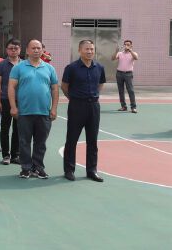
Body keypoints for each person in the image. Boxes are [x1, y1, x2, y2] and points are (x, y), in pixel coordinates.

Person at [8, 40, 59, 179]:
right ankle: (26, 168)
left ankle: (38, 168)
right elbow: (11, 87)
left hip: (44, 112)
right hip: (24, 112)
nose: (36, 50)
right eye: (33, 48)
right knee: (24, 142)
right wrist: (13, 106)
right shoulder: (19, 67)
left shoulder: (49, 68)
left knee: (41, 143)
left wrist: (54, 108)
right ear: (27, 50)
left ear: (42, 50)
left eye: (39, 48)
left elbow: (55, 89)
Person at [62, 39, 106, 183]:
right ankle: (69, 170)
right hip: (76, 106)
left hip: (93, 106)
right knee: (72, 139)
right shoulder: (71, 68)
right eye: (86, 49)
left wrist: (93, 96)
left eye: (92, 49)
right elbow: (64, 86)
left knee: (92, 140)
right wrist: (75, 99)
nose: (89, 52)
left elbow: (100, 84)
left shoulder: (99, 67)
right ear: (79, 50)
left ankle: (92, 170)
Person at [0, 39, 22, 165]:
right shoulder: (1, 64)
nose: (13, 50)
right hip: (6, 100)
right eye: (11, 48)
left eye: (16, 48)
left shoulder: (24, 64)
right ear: (6, 50)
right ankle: (6, 155)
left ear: (20, 50)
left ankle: (15, 155)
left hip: (21, 101)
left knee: (18, 129)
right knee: (5, 128)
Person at [113, 39, 139, 113]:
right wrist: (116, 51)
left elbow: (136, 58)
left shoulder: (133, 53)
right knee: (121, 91)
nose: (126, 46)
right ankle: (123, 106)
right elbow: (112, 58)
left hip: (128, 74)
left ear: (131, 46)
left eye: (128, 44)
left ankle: (133, 107)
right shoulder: (120, 53)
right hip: (119, 73)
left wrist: (130, 50)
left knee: (130, 90)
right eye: (125, 44)